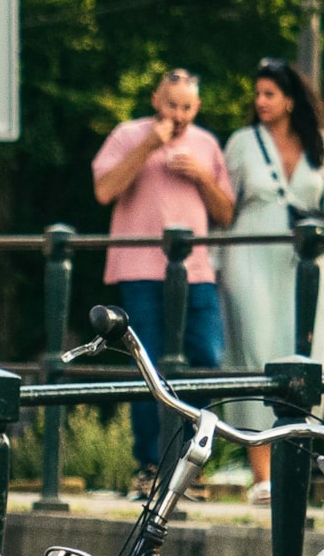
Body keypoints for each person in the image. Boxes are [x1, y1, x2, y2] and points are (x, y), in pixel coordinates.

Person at [217, 58, 324, 493]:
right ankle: (262, 473)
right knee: (257, 352)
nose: (260, 102)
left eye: (269, 94)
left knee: (309, 356)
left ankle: (295, 469)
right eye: (257, 94)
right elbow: (225, 205)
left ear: (290, 100)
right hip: (253, 259)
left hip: (307, 263)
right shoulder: (243, 142)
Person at [91, 69, 235, 487]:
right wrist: (148, 145)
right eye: (172, 105)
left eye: (187, 107)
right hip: (140, 269)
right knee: (148, 364)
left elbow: (226, 213)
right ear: (156, 100)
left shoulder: (207, 144)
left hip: (196, 271)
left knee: (205, 359)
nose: (179, 114)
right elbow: (104, 190)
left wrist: (201, 176)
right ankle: (150, 465)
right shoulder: (127, 134)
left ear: (198, 107)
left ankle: (192, 462)